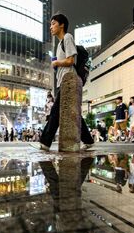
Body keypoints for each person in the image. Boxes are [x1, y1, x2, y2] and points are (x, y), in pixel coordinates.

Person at [31, 14, 94, 151]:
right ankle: (88, 140)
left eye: (53, 23)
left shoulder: (68, 37)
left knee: (56, 112)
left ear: (62, 25)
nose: (51, 27)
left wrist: (56, 62)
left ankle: (45, 142)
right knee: (71, 112)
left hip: (69, 81)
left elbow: (71, 60)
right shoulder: (59, 44)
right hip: (62, 82)